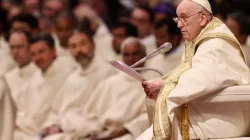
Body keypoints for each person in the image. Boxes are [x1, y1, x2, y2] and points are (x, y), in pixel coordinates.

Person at [137, 0, 250, 139]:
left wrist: (164, 86)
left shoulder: (216, 44)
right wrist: (163, 82)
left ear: (202, 18)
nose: (178, 24)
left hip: (220, 119)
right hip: (205, 113)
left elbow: (199, 78)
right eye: (177, 18)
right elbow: (186, 72)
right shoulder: (199, 40)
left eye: (184, 18)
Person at [39, 30, 117, 140]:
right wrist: (52, 125)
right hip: (68, 131)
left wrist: (66, 126)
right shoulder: (72, 77)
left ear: (93, 45)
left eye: (82, 44)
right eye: (73, 46)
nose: (78, 50)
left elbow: (102, 117)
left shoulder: (107, 74)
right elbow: (56, 110)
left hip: (89, 133)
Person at [13, 32, 76, 140]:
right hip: (30, 131)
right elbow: (19, 108)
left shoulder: (69, 73)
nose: (37, 58)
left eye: (41, 52)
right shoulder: (33, 79)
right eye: (33, 54)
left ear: (53, 51)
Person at [4, 30, 39, 108]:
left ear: (30, 47)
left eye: (19, 47)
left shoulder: (40, 73)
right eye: (12, 47)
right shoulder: (8, 77)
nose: (15, 52)